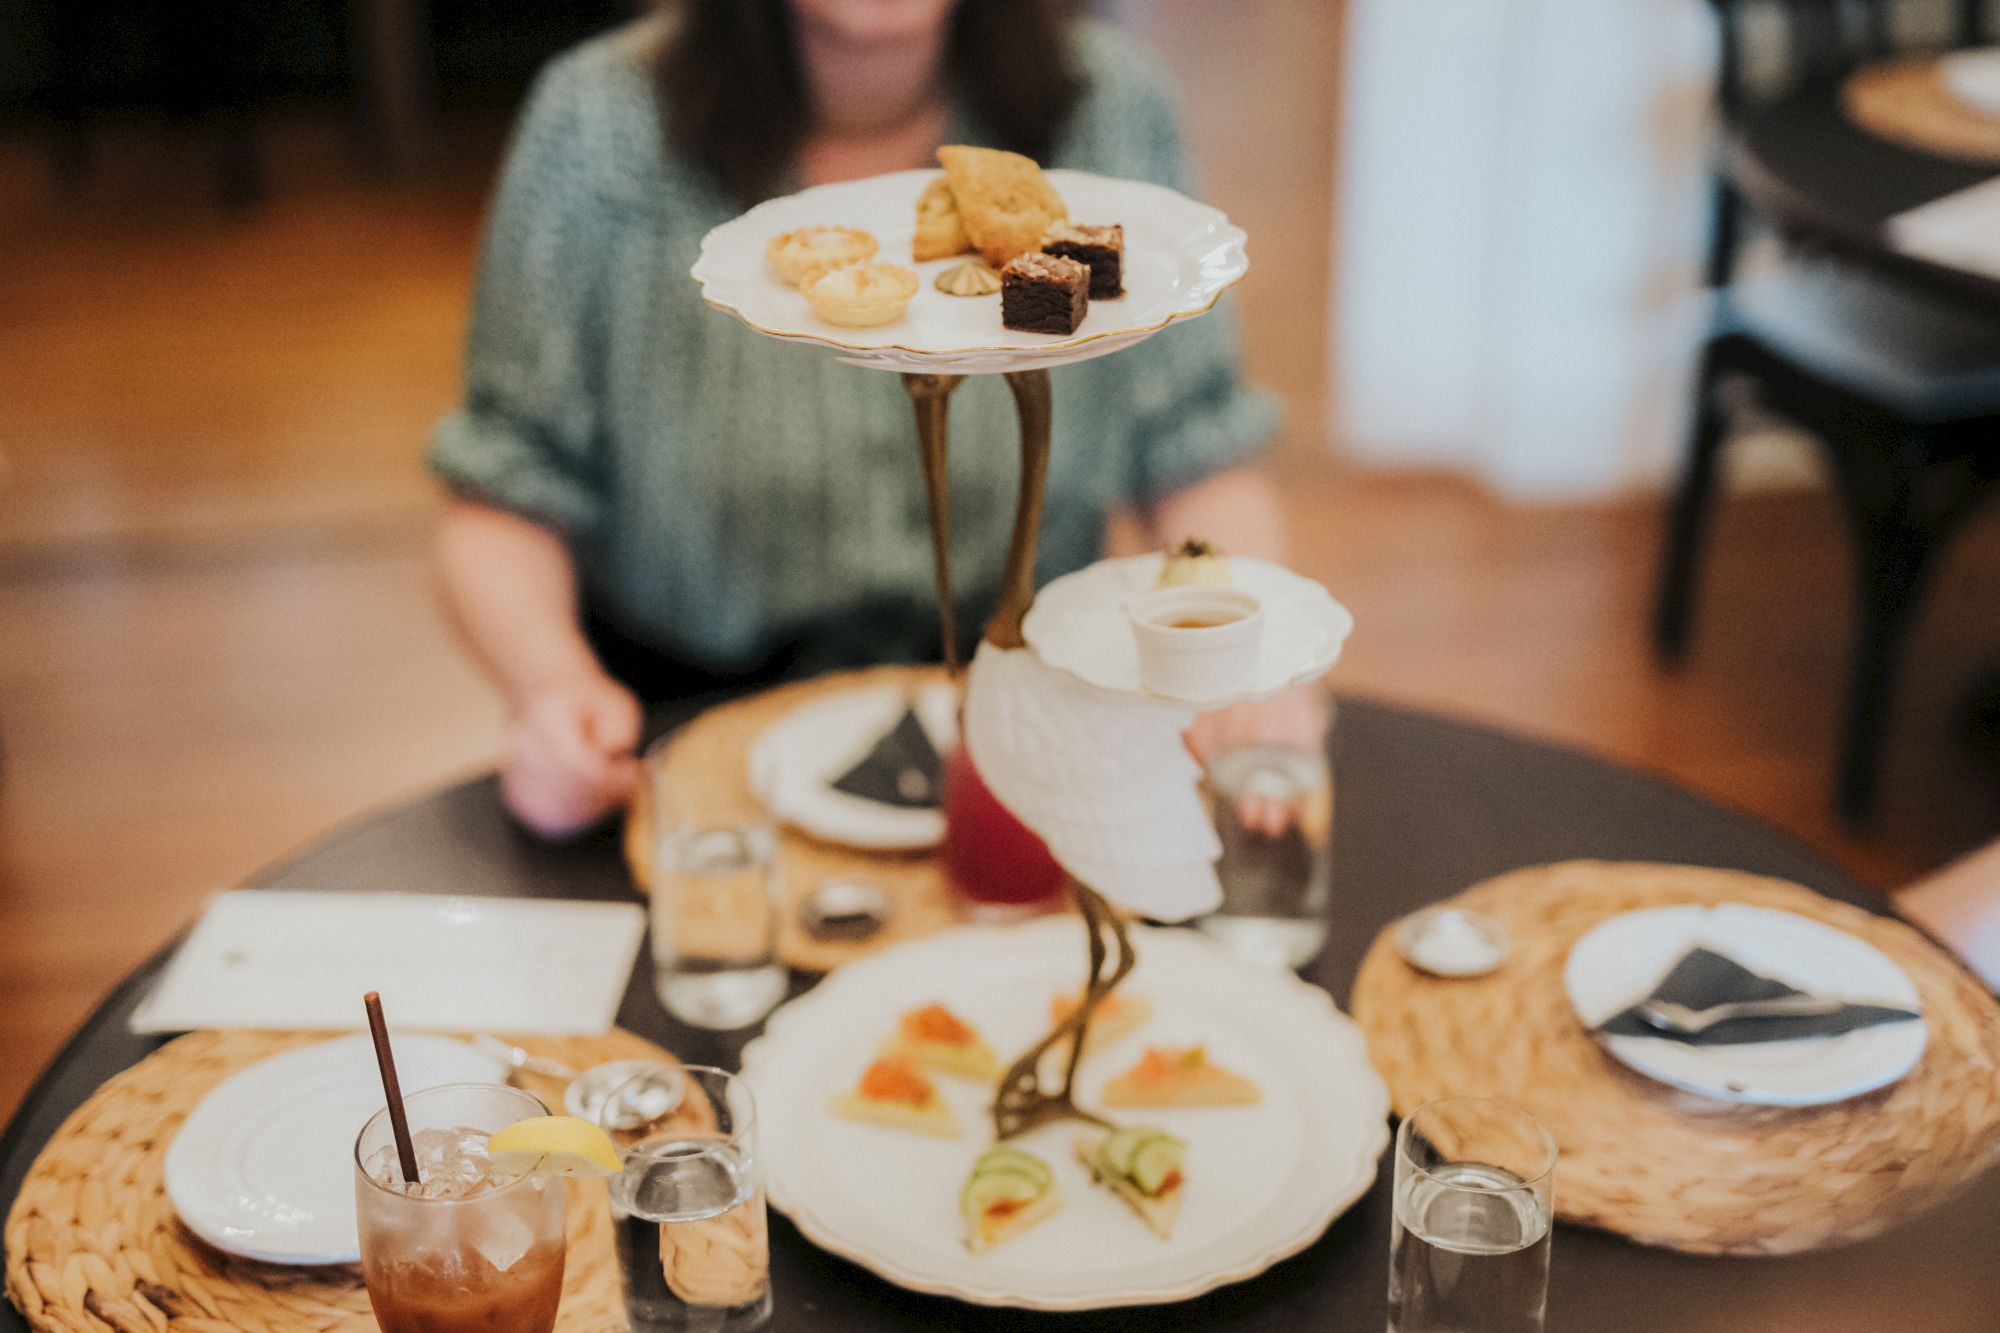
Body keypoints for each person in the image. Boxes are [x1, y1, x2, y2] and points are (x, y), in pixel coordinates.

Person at [431, 0, 1318, 838]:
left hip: (1031, 727)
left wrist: (1241, 665)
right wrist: (551, 690)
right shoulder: (601, 126)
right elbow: (505, 488)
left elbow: (1198, 453)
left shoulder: (1106, 104)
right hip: (693, 734)